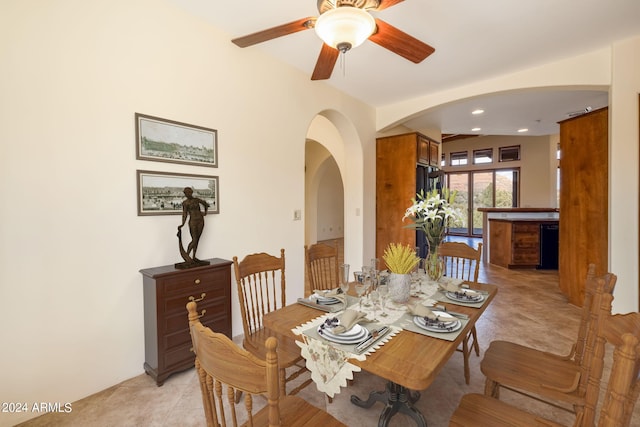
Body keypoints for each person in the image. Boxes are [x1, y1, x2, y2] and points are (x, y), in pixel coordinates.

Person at [177, 187, 209, 263]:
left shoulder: (197, 200)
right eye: (185, 193)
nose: (187, 194)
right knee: (194, 240)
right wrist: (182, 224)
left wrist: (205, 213)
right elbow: (184, 214)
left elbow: (206, 204)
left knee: (197, 240)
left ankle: (194, 256)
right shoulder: (185, 203)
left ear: (191, 192)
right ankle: (187, 256)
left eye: (188, 192)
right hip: (193, 222)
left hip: (200, 220)